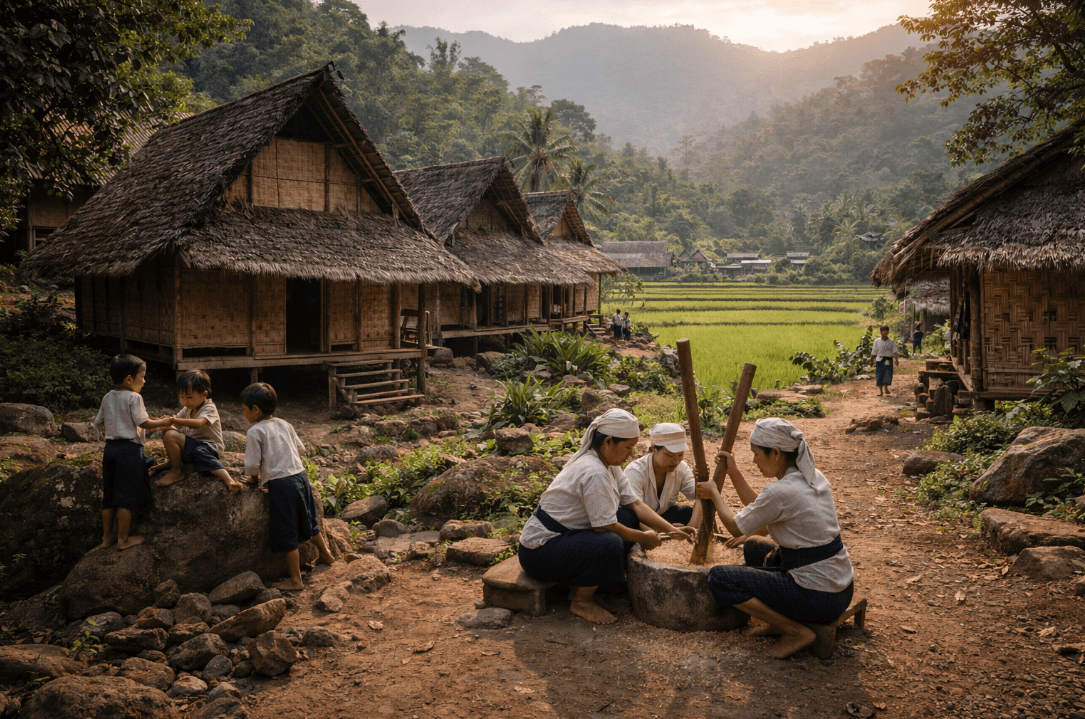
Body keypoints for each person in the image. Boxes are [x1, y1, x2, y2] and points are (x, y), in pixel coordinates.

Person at [518, 408, 694, 625]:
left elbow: (636, 504)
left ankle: (596, 582)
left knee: (627, 516)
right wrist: (643, 536)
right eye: (628, 447)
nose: (631, 454)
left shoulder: (609, 464)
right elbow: (605, 527)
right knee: (609, 543)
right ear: (608, 442)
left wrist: (671, 530)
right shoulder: (595, 471)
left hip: (567, 536)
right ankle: (581, 601)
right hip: (539, 551)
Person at [697, 418, 854, 660]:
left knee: (719, 578)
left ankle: (793, 631)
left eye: (757, 455)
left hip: (819, 598)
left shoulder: (781, 491)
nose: (754, 462)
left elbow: (735, 527)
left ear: (777, 453)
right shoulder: (811, 476)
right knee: (753, 546)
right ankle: (781, 619)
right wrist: (733, 471)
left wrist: (714, 494)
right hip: (841, 590)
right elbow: (760, 512)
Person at [241, 382, 335, 590]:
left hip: (281, 485)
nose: (244, 414)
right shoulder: (285, 424)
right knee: (309, 521)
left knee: (287, 531)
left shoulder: (255, 431)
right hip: (300, 477)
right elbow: (300, 450)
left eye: (245, 409)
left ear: (255, 409)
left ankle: (295, 580)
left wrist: (254, 479)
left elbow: (251, 465)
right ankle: (326, 554)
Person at [93, 354, 175, 550]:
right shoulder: (134, 396)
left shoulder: (108, 396)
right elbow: (143, 423)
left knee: (109, 495)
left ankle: (107, 537)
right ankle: (123, 540)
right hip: (129, 450)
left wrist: (116, 429)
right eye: (142, 376)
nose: (144, 381)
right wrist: (163, 422)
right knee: (125, 497)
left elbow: (98, 422)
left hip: (110, 449)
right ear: (129, 379)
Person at [151, 370, 242, 493]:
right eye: (182, 397)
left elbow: (199, 423)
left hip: (209, 448)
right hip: (192, 446)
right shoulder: (188, 408)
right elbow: (175, 424)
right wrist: (161, 423)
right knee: (168, 431)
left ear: (204, 394)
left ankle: (229, 481)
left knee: (198, 450)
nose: (185, 401)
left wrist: (173, 420)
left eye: (189, 397)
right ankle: (172, 463)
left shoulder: (209, 408)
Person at [622, 423, 700, 528]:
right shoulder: (635, 472)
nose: (676, 461)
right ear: (654, 449)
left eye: (680, 455)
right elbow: (636, 510)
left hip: (663, 516)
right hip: (641, 520)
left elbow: (694, 494)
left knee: (688, 512)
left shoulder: (681, 467)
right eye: (670, 455)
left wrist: (698, 479)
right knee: (631, 519)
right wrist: (669, 530)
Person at [871, 324, 900, 396]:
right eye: (883, 333)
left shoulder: (891, 341)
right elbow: (874, 351)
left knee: (887, 374)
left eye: (886, 333)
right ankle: (880, 391)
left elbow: (895, 351)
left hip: (888, 360)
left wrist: (896, 359)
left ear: (888, 332)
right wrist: (872, 360)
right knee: (879, 374)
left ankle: (886, 388)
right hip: (879, 359)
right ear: (880, 332)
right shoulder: (877, 341)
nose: (884, 335)